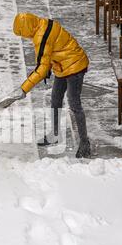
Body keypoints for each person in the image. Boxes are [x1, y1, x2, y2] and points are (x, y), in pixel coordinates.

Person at [12, 12, 91, 158]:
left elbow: (41, 67)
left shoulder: (40, 36)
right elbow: (49, 52)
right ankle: (55, 135)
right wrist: (47, 66)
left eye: (23, 34)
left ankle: (85, 142)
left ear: (27, 28)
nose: (25, 37)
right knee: (55, 99)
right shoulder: (41, 24)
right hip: (62, 66)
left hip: (75, 66)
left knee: (74, 103)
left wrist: (24, 89)